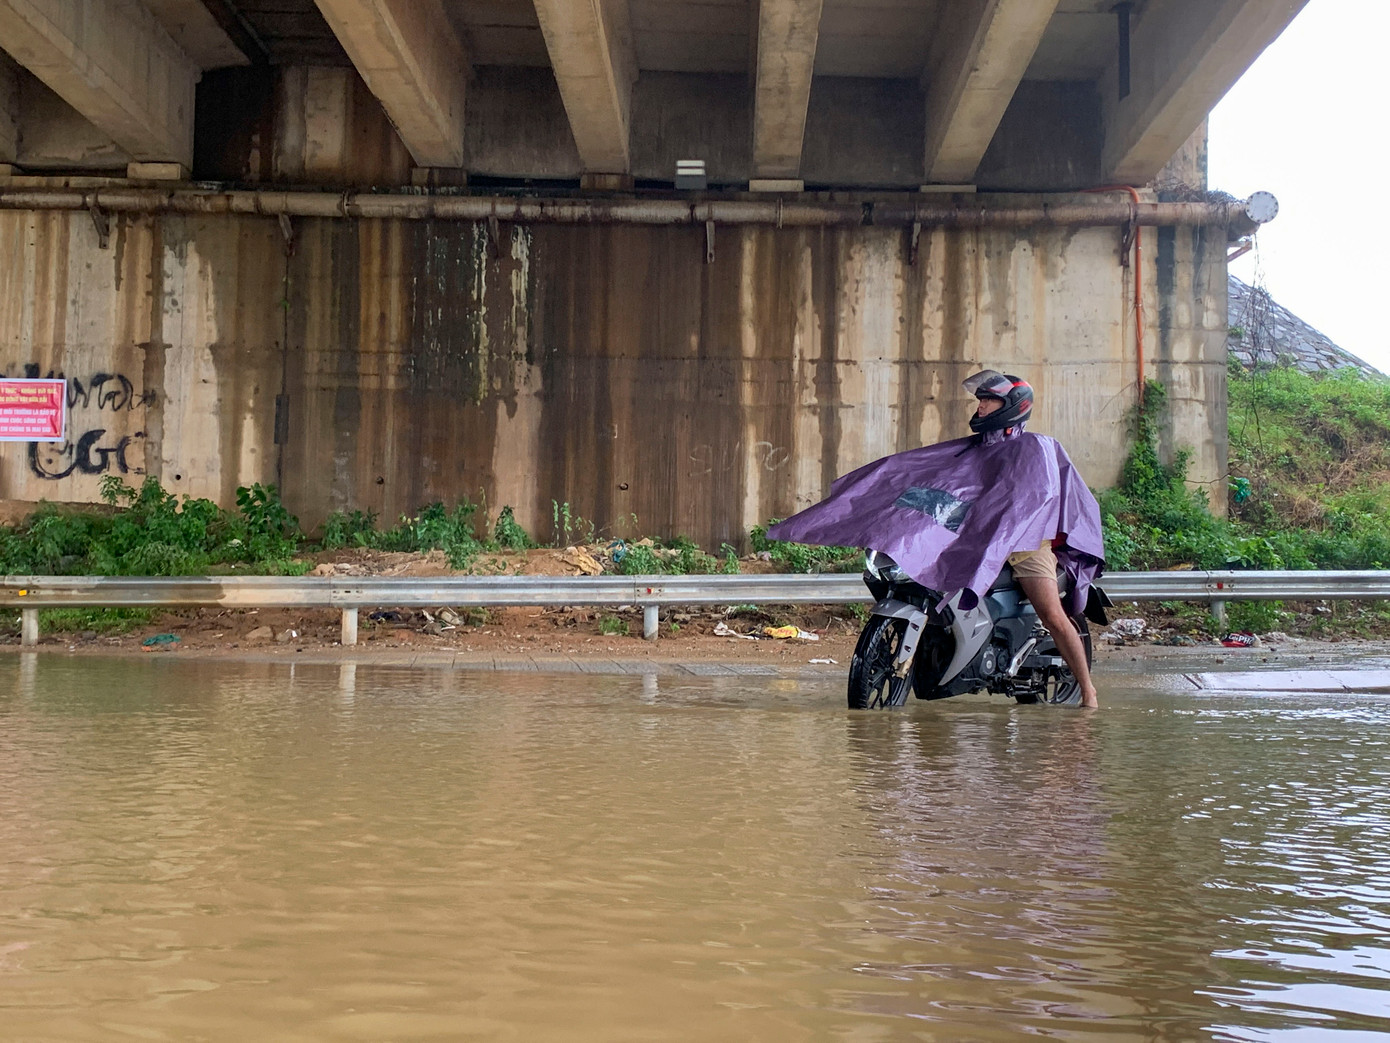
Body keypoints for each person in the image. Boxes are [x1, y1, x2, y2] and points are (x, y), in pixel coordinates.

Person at [966, 371, 1099, 709]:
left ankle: (1088, 691)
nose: (981, 406)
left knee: (1053, 615)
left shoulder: (1035, 447)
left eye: (988, 400)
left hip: (1026, 545)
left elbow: (1041, 497)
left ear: (1011, 406)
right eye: (979, 400)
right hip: (983, 542)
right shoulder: (978, 448)